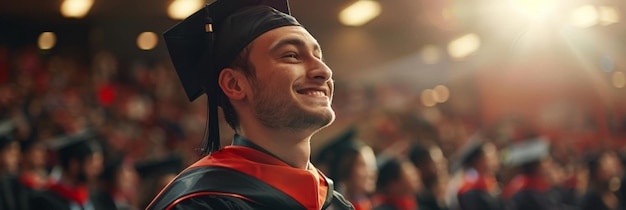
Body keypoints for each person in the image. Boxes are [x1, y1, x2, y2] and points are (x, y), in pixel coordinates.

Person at [146, 0, 353, 209]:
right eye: (292, 55)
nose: (324, 71)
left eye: (319, 57)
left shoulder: (336, 204)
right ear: (234, 84)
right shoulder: (202, 204)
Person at [30, 131, 107, 210]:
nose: (98, 171)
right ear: (74, 165)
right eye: (91, 165)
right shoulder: (45, 200)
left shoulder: (92, 198)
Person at [316, 127, 378, 210]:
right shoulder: (329, 206)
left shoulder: (367, 204)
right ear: (344, 169)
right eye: (363, 165)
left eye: (372, 165)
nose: (372, 172)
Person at [452, 141, 503, 210]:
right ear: (478, 162)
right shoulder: (470, 191)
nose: (495, 159)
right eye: (491, 156)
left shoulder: (491, 183)